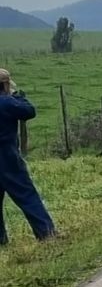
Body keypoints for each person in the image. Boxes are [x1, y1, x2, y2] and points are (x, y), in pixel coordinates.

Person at [0, 68, 56, 246]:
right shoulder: (8, 102)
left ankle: (1, 241)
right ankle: (46, 233)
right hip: (6, 155)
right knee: (26, 194)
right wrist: (17, 95)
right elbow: (29, 111)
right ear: (5, 84)